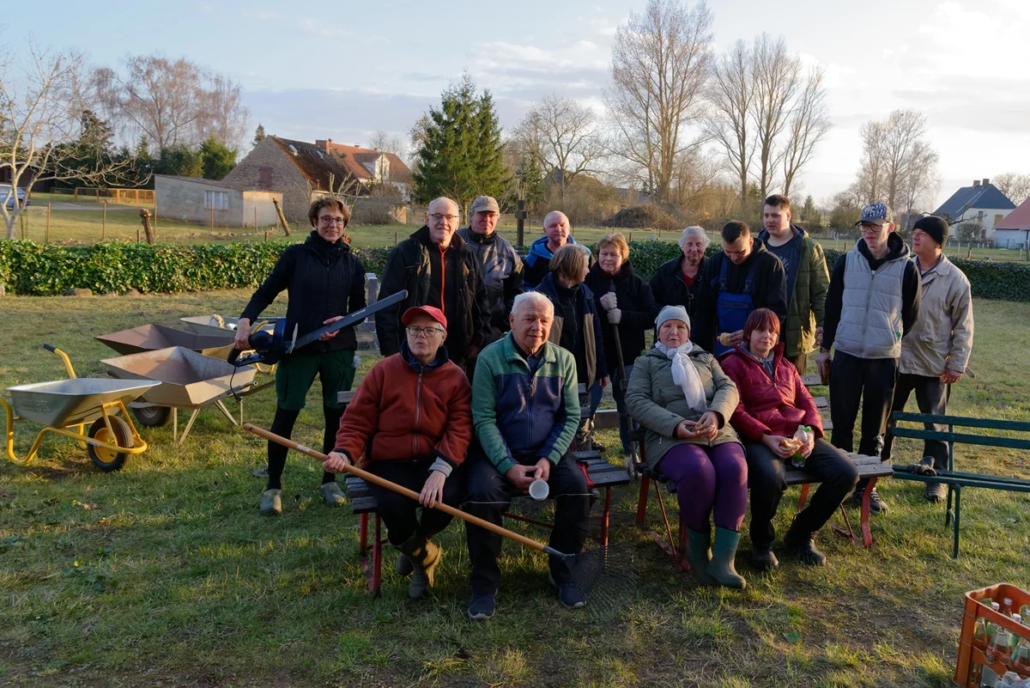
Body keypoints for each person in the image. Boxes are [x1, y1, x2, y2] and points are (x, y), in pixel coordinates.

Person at [324, 306, 472, 599]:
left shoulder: (455, 377)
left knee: (449, 497)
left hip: (435, 459)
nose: (421, 336)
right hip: (389, 461)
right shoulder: (383, 371)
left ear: (443, 337)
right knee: (392, 504)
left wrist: (441, 469)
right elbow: (357, 420)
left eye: (429, 330)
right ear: (406, 333)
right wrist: (344, 452)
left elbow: (461, 428)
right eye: (414, 329)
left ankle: (414, 545)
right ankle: (424, 557)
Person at [465, 292, 592, 619]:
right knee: (481, 494)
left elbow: (570, 417)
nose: (537, 327)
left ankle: (563, 570)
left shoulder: (564, 360)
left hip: (547, 453)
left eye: (544, 321)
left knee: (578, 489)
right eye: (529, 319)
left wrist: (548, 459)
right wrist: (507, 465)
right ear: (511, 321)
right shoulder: (490, 359)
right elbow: (483, 418)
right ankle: (484, 583)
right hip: (497, 454)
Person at [236, 197, 367, 515]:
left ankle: (329, 481)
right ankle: (273, 486)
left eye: (338, 220)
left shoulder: (353, 263)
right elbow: (266, 291)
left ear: (344, 224)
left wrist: (344, 320)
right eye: (326, 218)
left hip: (338, 350)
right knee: (286, 413)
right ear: (314, 221)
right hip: (299, 348)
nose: (332, 224)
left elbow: (359, 309)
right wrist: (245, 320)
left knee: (335, 416)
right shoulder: (296, 256)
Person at [719, 308, 859, 569]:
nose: (767, 336)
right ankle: (762, 543)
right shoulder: (732, 365)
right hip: (758, 438)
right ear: (748, 333)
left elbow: (807, 402)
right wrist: (765, 437)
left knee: (846, 473)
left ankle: (802, 533)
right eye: (760, 330)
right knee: (770, 477)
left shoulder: (786, 366)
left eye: (772, 331)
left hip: (796, 437)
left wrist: (810, 433)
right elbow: (735, 411)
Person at [626, 305, 748, 589]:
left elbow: (728, 388)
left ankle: (724, 559)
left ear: (688, 332)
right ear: (658, 332)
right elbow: (636, 401)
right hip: (669, 436)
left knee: (734, 467)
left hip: (715, 431)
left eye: (680, 326)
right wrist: (676, 425)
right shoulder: (646, 362)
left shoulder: (705, 357)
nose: (674, 332)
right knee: (699, 471)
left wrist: (716, 414)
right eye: (667, 326)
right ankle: (697, 548)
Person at [817, 203, 921, 514]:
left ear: (891, 227)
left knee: (875, 429)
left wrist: (890, 335)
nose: (868, 231)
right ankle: (839, 484)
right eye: (864, 225)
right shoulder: (847, 261)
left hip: (883, 359)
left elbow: (911, 315)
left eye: (875, 225)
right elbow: (832, 306)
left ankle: (866, 488)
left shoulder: (907, 268)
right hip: (847, 354)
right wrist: (826, 349)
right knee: (842, 424)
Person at [882, 215, 973, 503]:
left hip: (934, 364)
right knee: (886, 417)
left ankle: (936, 478)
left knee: (935, 423)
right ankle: (878, 467)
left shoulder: (955, 279)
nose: (915, 237)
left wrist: (957, 362)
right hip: (897, 357)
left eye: (922, 233)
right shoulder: (902, 268)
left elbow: (964, 326)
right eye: (915, 232)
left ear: (938, 242)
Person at [375, 197, 491, 369]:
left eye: (449, 217)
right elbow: (387, 304)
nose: (443, 222)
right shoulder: (406, 253)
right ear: (427, 219)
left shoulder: (467, 255)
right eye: (437, 216)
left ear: (457, 222)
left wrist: (479, 341)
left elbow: (480, 302)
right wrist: (390, 348)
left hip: (456, 349)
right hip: (414, 347)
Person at [585, 232, 658, 466]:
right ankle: (584, 447)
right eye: (604, 254)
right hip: (594, 356)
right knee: (589, 403)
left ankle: (630, 452)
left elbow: (651, 316)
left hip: (627, 355)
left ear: (623, 256)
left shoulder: (637, 284)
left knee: (627, 406)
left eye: (613, 255)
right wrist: (598, 304)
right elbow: (579, 311)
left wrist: (623, 316)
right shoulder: (588, 281)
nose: (608, 258)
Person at [534, 243, 609, 446]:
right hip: (552, 375)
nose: (588, 270)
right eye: (585, 266)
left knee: (582, 420)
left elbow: (596, 333)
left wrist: (601, 369)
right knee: (553, 422)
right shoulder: (542, 297)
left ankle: (582, 451)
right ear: (572, 267)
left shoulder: (586, 295)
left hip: (582, 372)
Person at [757, 195, 829, 374]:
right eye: (766, 215)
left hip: (794, 334)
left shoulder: (808, 248)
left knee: (794, 386)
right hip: (761, 331)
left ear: (788, 216)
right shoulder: (756, 247)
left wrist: (823, 325)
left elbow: (821, 292)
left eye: (775, 215)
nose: (770, 220)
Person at [694, 221, 788, 357]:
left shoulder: (770, 264)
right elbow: (703, 310)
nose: (734, 258)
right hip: (720, 346)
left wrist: (751, 332)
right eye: (728, 252)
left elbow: (777, 312)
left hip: (757, 347)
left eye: (740, 252)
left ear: (750, 242)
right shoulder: (715, 263)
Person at [456, 195, 524, 345]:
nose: (486, 219)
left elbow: (515, 294)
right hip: (453, 328)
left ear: (497, 218)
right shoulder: (454, 242)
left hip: (491, 332)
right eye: (482, 214)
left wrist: (500, 328)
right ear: (471, 216)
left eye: (491, 215)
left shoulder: (508, 253)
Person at [650, 226, 710, 320]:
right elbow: (650, 300)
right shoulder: (666, 271)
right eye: (689, 244)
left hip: (704, 327)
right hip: (672, 326)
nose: (694, 249)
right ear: (682, 246)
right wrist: (668, 314)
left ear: (705, 246)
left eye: (698, 244)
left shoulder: (713, 270)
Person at [523, 210, 576, 288]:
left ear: (569, 229)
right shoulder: (531, 260)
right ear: (545, 230)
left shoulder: (584, 255)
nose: (558, 229)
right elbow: (525, 286)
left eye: (562, 225)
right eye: (553, 226)